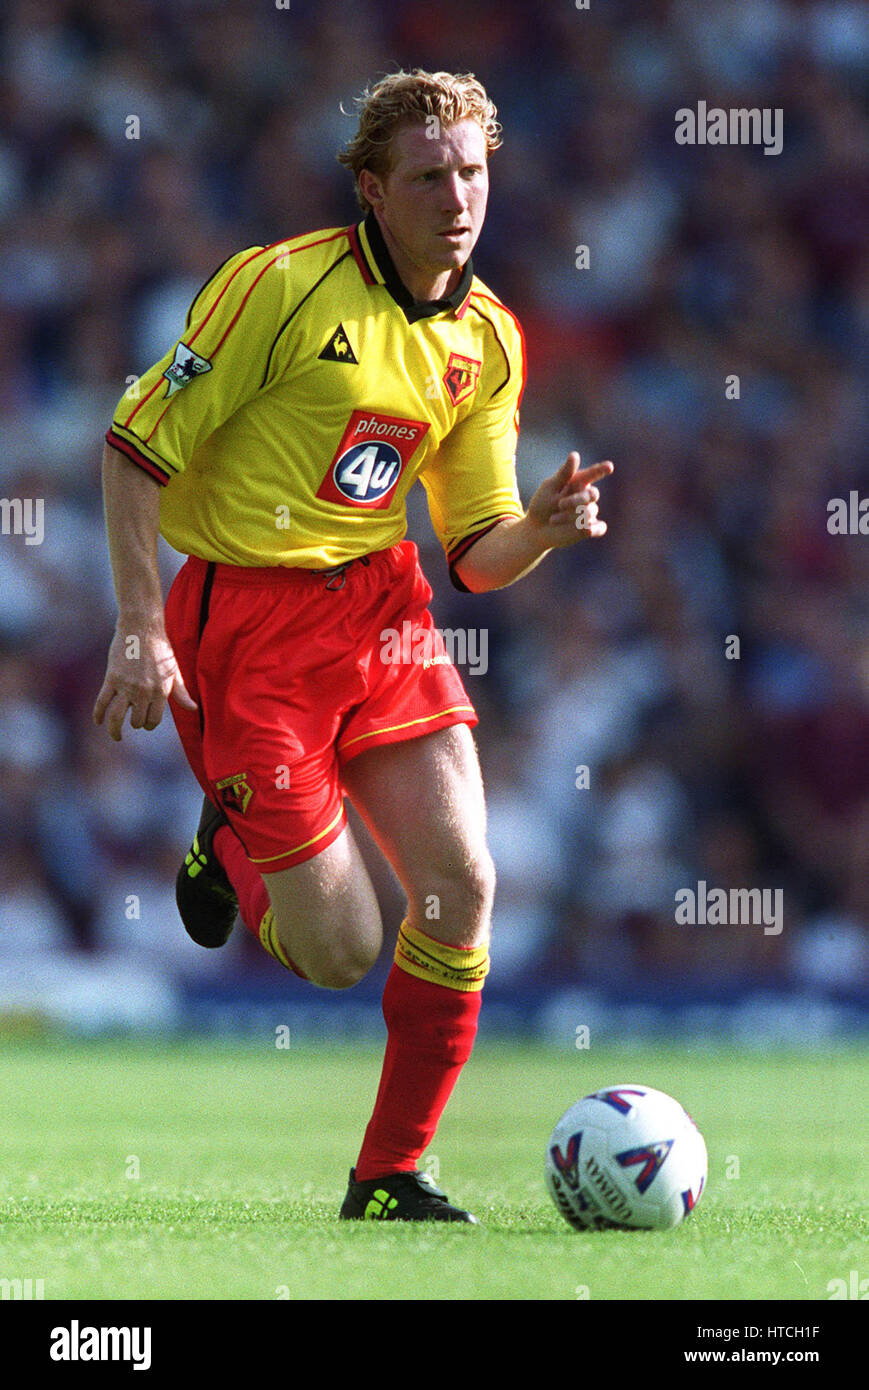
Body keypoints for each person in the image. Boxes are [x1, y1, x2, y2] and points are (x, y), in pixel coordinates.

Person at [93, 69, 613, 1223]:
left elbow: (473, 549)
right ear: (372, 189)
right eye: (428, 176)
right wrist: (138, 624)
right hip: (246, 621)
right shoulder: (275, 287)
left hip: (382, 609)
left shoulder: (486, 337)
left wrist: (541, 527)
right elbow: (133, 448)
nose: (457, 195)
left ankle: (388, 1175)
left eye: (472, 170)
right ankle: (225, 838)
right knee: (337, 951)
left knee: (462, 885)